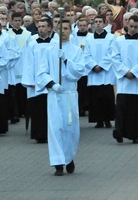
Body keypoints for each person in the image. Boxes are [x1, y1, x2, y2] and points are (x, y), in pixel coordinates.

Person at [33, 18, 90, 176]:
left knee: (70, 128)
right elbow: (41, 72)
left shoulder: (76, 50)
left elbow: (79, 72)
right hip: (55, 94)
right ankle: (58, 162)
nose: (63, 31)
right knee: (55, 127)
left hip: (69, 95)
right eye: (60, 28)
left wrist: (66, 60)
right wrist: (51, 84)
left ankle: (69, 156)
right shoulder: (49, 50)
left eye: (66, 28)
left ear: (70, 31)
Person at [110, 15, 138, 144]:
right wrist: (125, 72)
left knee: (137, 110)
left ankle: (135, 134)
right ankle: (119, 131)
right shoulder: (119, 41)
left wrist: (134, 72)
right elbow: (115, 58)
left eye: (136, 27)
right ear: (127, 25)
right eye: (131, 26)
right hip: (124, 81)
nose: (133, 29)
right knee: (121, 108)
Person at [85, 15, 116, 128]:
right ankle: (98, 120)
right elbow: (86, 55)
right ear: (93, 24)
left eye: (100, 22)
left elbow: (111, 53)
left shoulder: (111, 38)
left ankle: (107, 119)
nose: (98, 24)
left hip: (106, 72)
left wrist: (102, 66)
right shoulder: (89, 39)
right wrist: (93, 66)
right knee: (95, 97)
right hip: (93, 72)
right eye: (96, 22)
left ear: (104, 23)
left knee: (106, 97)